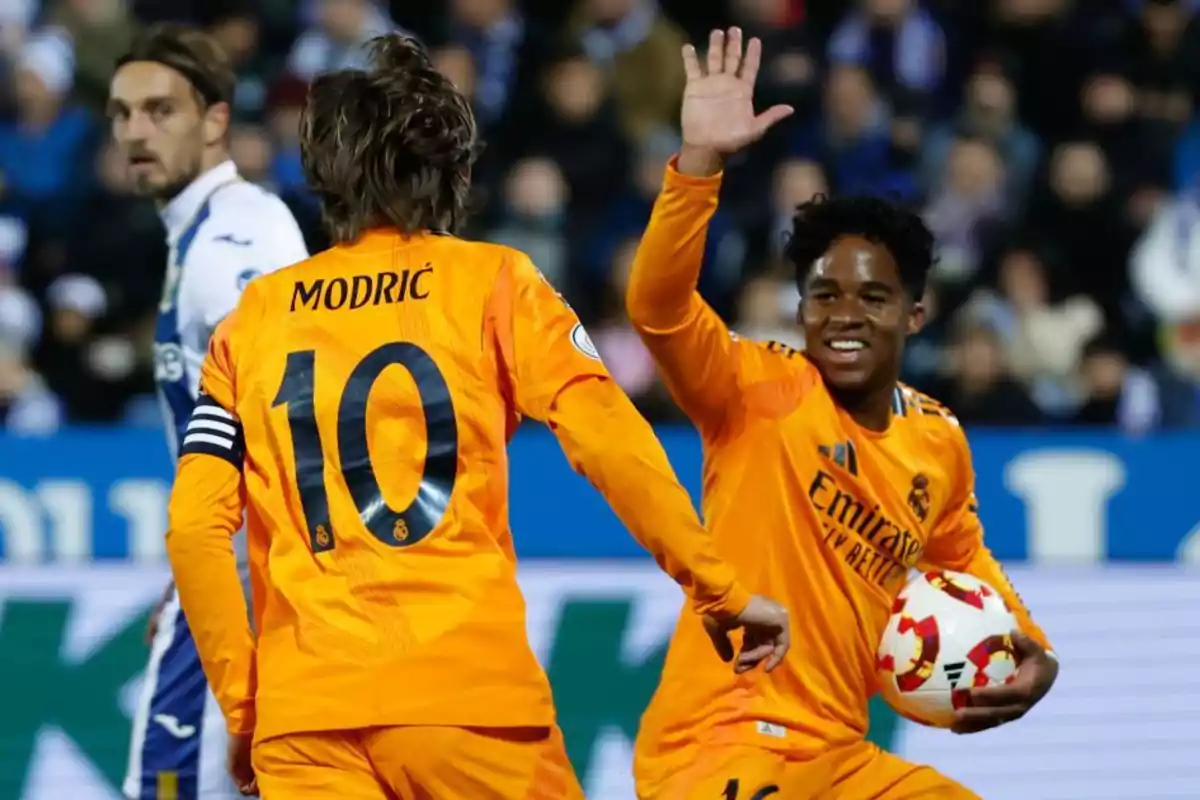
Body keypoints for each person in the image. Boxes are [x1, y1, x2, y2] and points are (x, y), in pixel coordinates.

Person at [162, 33, 790, 799]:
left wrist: (249, 708)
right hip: (469, 705)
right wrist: (716, 586)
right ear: (453, 172)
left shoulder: (250, 321)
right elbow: (609, 439)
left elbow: (194, 529)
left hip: (308, 724)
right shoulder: (494, 283)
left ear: (326, 175)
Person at [630, 28, 1059, 800]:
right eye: (825, 295)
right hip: (721, 742)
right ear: (802, 309)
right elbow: (658, 309)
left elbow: (963, 560)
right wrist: (698, 168)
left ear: (916, 315)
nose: (845, 315)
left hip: (837, 755)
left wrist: (1031, 648)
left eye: (874, 297)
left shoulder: (937, 439)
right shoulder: (754, 390)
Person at [107, 24, 310, 800]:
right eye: (122, 115)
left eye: (160, 111)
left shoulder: (230, 244)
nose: (136, 133)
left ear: (216, 120)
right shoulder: (207, 233)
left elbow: (292, 418)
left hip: (253, 590)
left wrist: (229, 585)